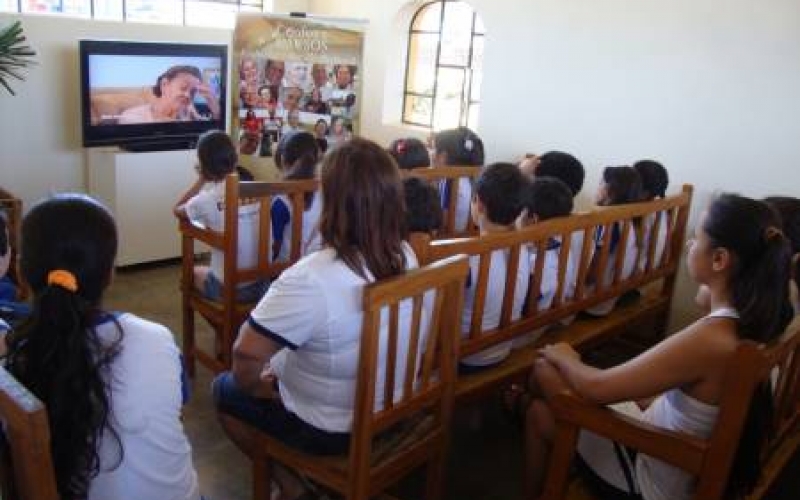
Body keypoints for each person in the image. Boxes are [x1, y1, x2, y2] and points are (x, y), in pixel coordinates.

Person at [523, 193, 792, 500]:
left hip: (650, 477)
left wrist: (566, 356)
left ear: (719, 260)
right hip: (670, 452)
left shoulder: (712, 337)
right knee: (539, 413)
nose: (690, 245)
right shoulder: (749, 321)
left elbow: (595, 388)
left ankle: (521, 406)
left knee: (546, 369)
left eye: (696, 238)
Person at [213, 138, 423, 500]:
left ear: (332, 199)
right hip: (396, 409)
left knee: (224, 390)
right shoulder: (405, 254)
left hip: (331, 427)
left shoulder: (314, 276)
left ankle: (294, 487)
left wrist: (260, 388)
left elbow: (246, 355)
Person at [3, 194, 200, 500]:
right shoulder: (155, 338)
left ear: (24, 272)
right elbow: (176, 408)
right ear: (110, 274)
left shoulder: (17, 360)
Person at [173, 130, 265, 302]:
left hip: (229, 289)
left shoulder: (207, 199)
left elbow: (177, 209)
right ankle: (229, 328)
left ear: (203, 165)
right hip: (263, 285)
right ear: (234, 158)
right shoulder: (259, 190)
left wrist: (201, 179)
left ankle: (222, 328)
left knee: (189, 274)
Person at [460, 162, 530, 370]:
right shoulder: (524, 247)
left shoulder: (469, 257)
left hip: (468, 356)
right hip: (503, 348)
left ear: (478, 204)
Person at [512, 176, 575, 348]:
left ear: (533, 219)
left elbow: (518, 308)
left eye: (519, 211)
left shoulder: (538, 264)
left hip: (519, 336)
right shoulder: (560, 246)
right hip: (539, 325)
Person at [584, 166, 643, 316]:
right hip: (611, 295)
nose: (596, 188)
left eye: (600, 183)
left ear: (610, 191)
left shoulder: (607, 223)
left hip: (592, 301)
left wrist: (577, 283)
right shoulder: (630, 219)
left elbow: (594, 270)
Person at [270, 131, 323, 262]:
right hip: (317, 264)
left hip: (285, 271)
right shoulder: (326, 192)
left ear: (282, 160)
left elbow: (273, 247)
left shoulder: (280, 200)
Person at [118, 65, 219, 124]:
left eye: (193, 92)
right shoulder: (132, 117)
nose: (188, 95)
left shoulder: (190, 116)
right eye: (183, 88)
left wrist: (214, 106)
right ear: (164, 85)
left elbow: (211, 137)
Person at [432, 127, 485, 232]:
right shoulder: (475, 177)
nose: (431, 153)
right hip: (469, 237)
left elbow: (442, 221)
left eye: (433, 148)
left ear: (443, 156)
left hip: (446, 240)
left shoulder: (449, 179)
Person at [634, 159, 670, 270]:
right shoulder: (660, 210)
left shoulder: (642, 212)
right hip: (649, 265)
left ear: (645, 192)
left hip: (636, 270)